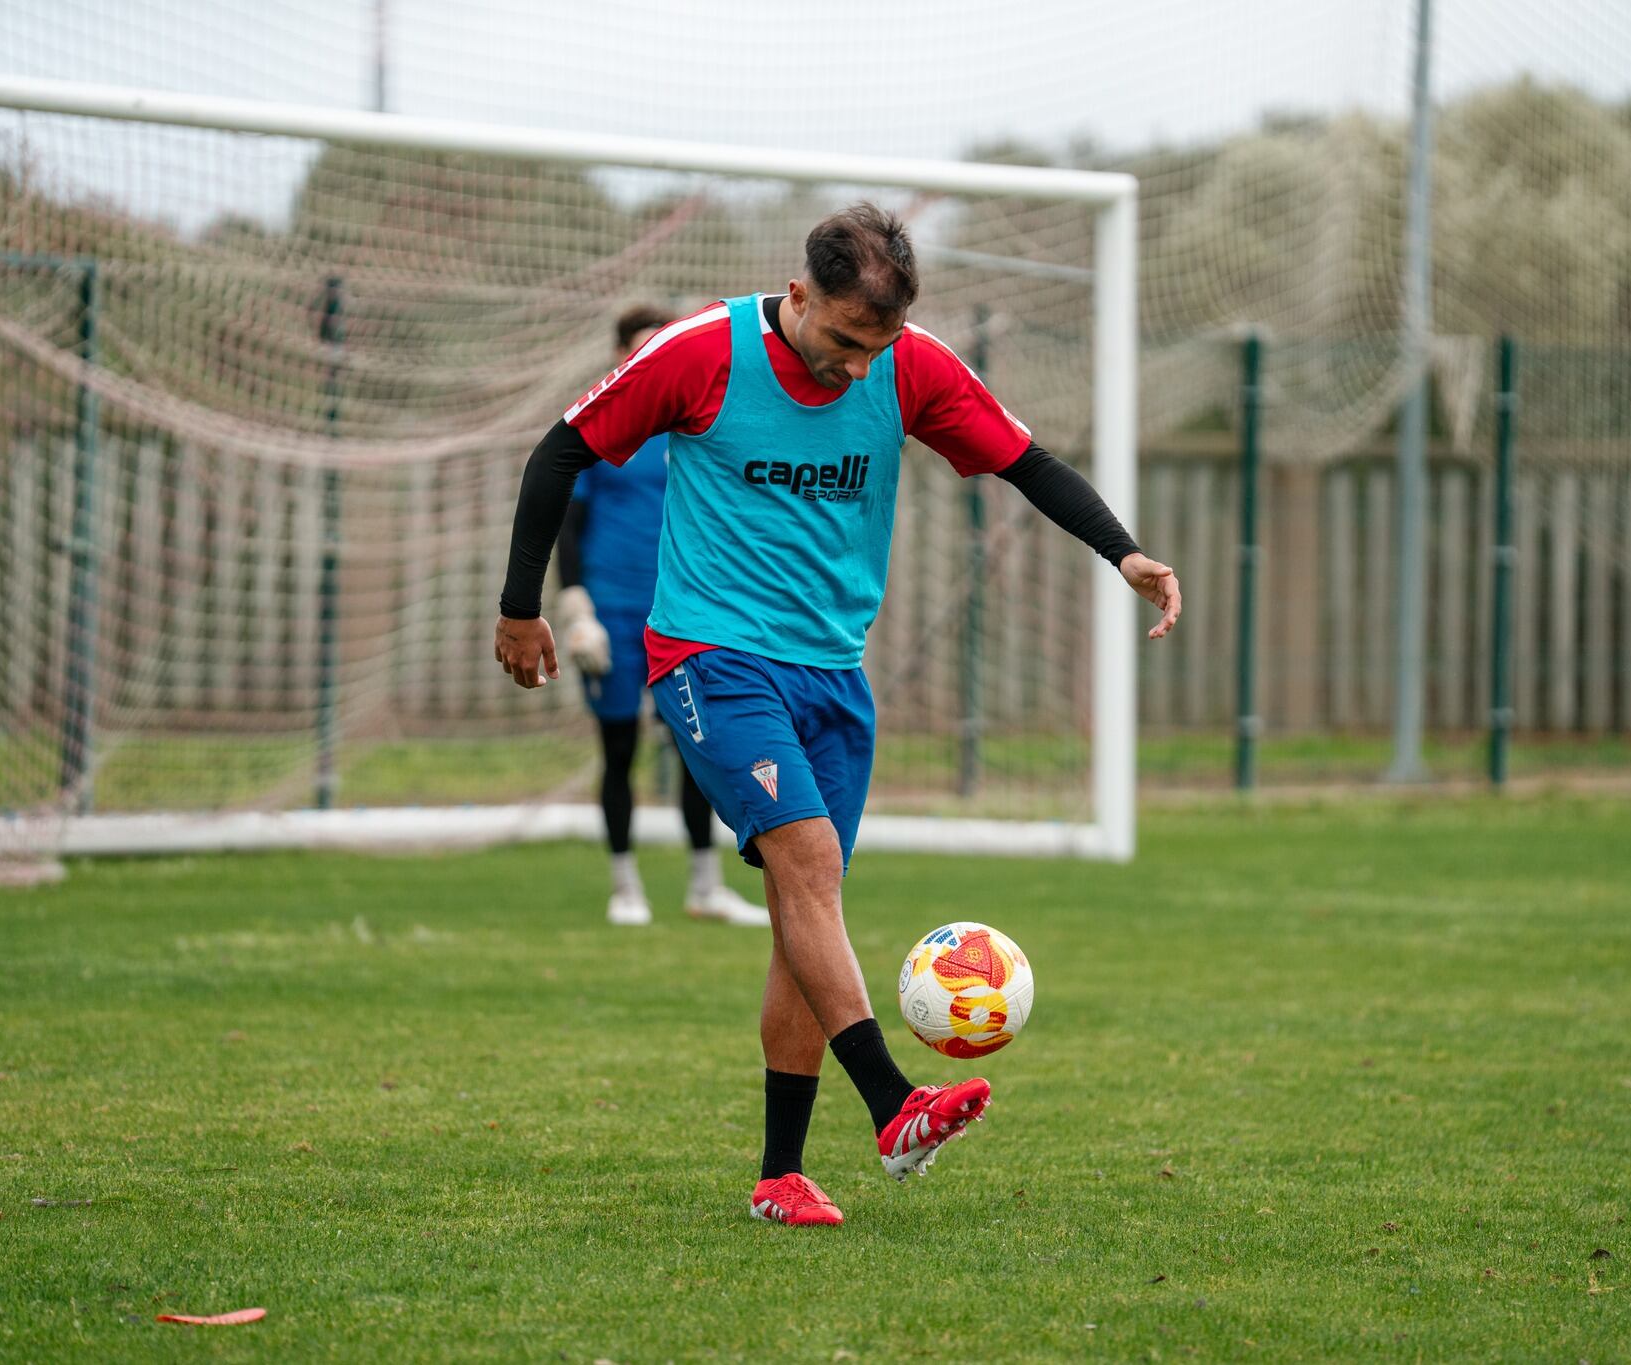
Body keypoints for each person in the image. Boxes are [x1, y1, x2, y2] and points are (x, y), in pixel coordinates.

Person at [496, 204, 1179, 1228]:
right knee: (807, 869)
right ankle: (893, 1105)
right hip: (709, 656)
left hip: (832, 674)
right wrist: (520, 609)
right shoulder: (697, 353)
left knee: (799, 912)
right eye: (845, 342)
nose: (859, 369)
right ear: (801, 294)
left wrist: (1122, 550)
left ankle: (779, 1176)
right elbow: (558, 452)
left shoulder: (910, 366)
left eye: (880, 346)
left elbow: (1022, 460)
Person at [553, 306, 770, 929]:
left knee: (697, 749)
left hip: (684, 615)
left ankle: (705, 886)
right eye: (645, 349)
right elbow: (569, 524)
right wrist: (576, 608)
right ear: (621, 354)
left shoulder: (699, 429)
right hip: (614, 616)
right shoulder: (605, 426)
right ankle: (625, 887)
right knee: (617, 749)